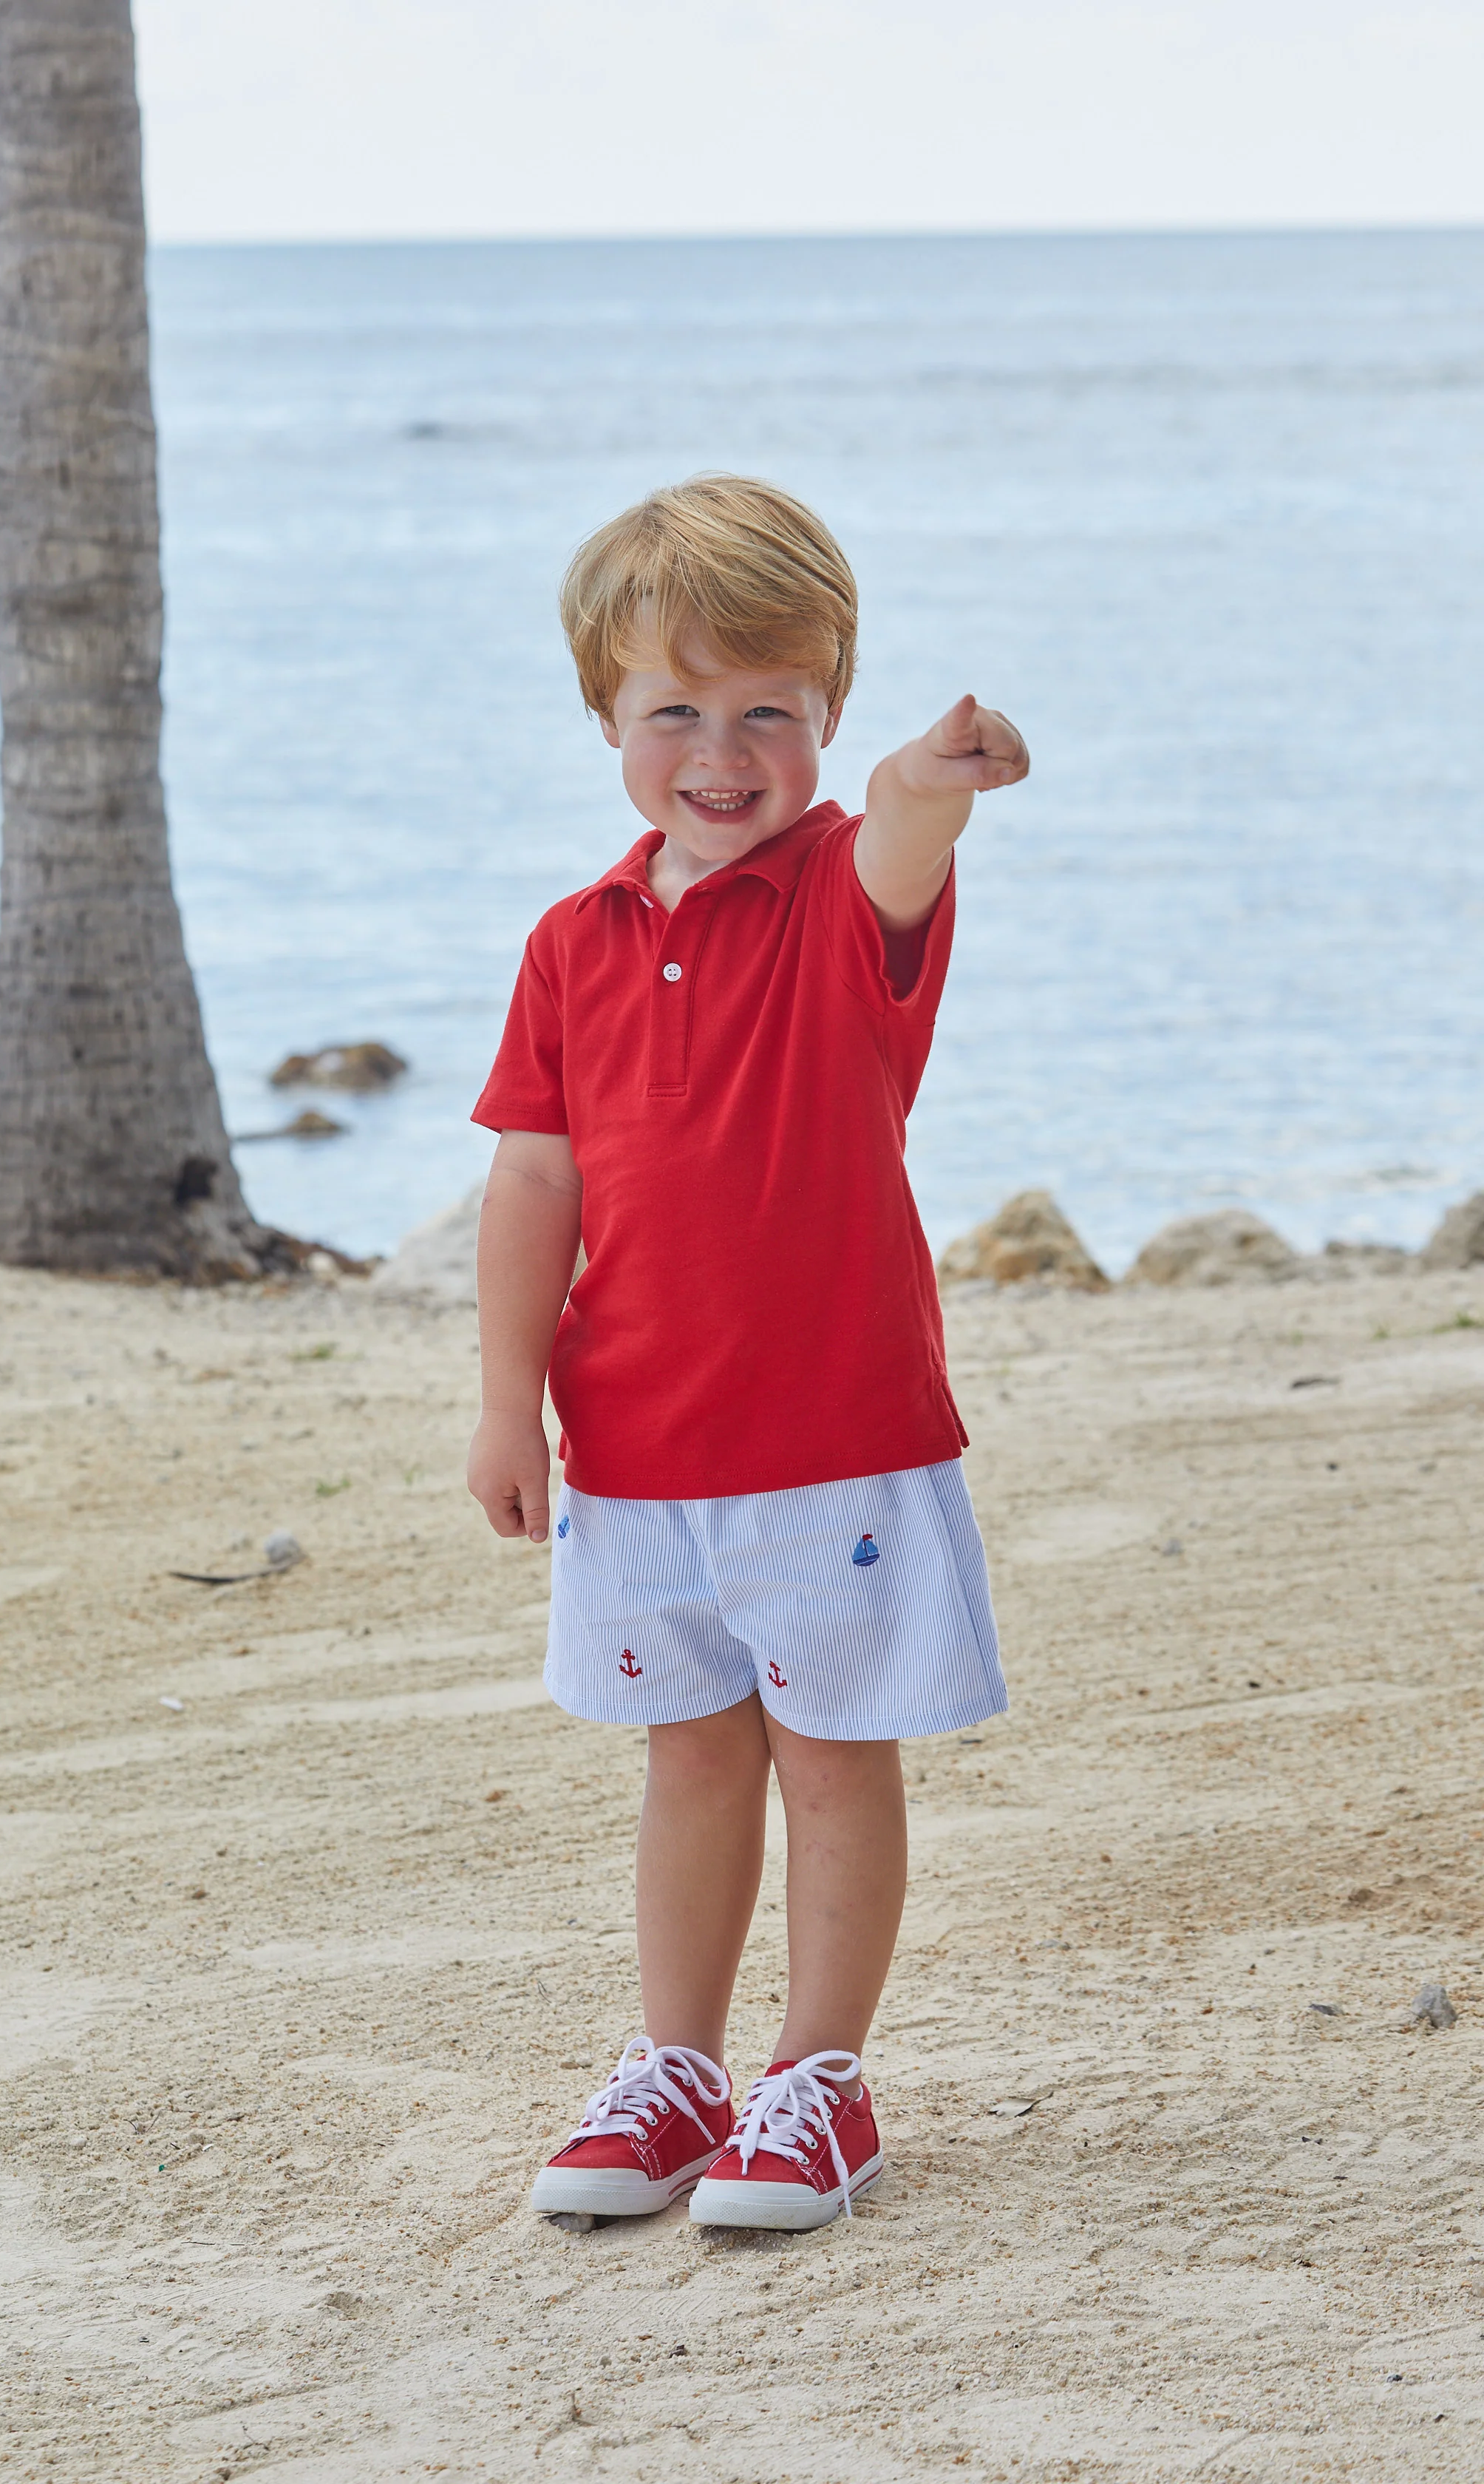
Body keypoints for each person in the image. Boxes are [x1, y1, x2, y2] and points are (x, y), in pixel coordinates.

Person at [466, 474, 1026, 2231]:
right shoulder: (571, 942)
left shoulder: (840, 901)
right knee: (690, 1752)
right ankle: (678, 2069)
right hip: (633, 1447)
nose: (721, 749)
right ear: (607, 720)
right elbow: (533, 1180)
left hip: (833, 1438)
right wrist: (505, 1402)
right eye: (676, 710)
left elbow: (898, 845)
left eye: (767, 708)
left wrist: (929, 789)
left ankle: (817, 2082)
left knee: (828, 1749)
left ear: (828, 718)